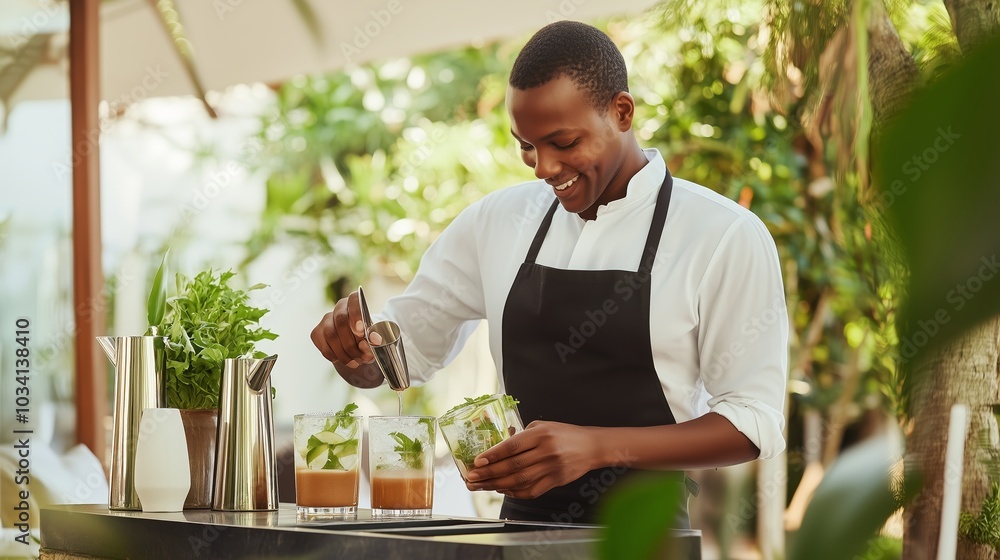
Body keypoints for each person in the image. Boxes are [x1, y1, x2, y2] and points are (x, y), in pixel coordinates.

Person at [311, 20, 787, 526]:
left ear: (621, 112)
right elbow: (406, 355)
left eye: (563, 142)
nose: (542, 167)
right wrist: (357, 351)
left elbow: (752, 422)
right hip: (518, 534)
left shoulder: (722, 234)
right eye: (526, 145)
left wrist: (596, 448)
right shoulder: (496, 221)